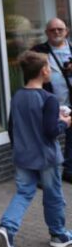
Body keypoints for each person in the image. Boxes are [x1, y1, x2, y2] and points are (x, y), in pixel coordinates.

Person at [0, 51, 72, 247]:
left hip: (23, 155)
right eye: (49, 68)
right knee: (53, 195)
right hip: (46, 157)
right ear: (43, 71)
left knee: (24, 192)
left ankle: (6, 228)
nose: (51, 71)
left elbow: (12, 128)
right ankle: (58, 234)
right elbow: (50, 131)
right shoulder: (49, 99)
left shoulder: (17, 96)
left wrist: (18, 148)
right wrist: (64, 122)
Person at [32, 18, 72, 183]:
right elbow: (29, 72)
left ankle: (69, 170)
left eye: (60, 29)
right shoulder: (39, 51)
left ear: (66, 31)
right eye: (52, 30)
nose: (56, 32)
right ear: (46, 33)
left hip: (70, 102)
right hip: (49, 102)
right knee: (46, 137)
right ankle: (43, 175)